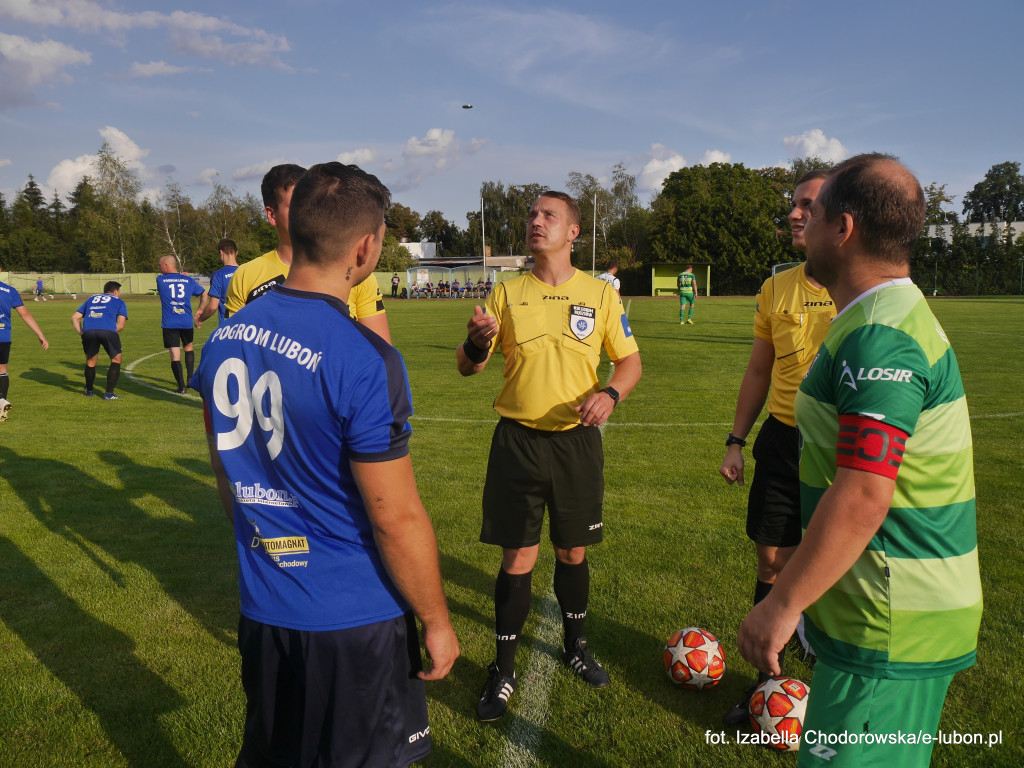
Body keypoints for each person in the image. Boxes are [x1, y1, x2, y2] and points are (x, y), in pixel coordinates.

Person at [192, 162, 459, 768]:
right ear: (365, 247)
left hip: (263, 608)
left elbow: (227, 479)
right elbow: (395, 517)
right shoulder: (364, 356)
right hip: (353, 619)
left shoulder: (223, 341)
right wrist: (436, 620)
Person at [738, 154, 982, 767]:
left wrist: (782, 603)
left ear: (842, 228)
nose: (799, 220)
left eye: (811, 211)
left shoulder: (881, 336)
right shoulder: (882, 318)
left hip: (891, 624)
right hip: (887, 615)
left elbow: (865, 492)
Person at [457, 191, 642, 722]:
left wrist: (610, 394)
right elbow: (467, 367)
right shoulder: (506, 293)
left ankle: (577, 647)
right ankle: (504, 668)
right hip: (518, 441)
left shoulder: (601, 295)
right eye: (533, 215)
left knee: (572, 553)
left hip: (575, 444)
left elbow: (628, 364)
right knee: (517, 557)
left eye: (548, 216)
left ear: (573, 233)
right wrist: (474, 343)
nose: (536, 222)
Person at [717, 169, 833, 725]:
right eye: (793, 204)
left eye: (807, 204)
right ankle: (768, 683)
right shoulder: (775, 287)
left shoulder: (862, 288)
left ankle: (838, 683)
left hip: (843, 444)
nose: (794, 213)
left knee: (843, 559)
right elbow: (759, 369)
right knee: (771, 555)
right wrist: (736, 441)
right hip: (783, 440)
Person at [224, 164, 391, 343]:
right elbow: (231, 348)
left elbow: (381, 352)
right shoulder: (246, 275)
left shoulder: (354, 270)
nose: (307, 212)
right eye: (296, 206)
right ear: (272, 215)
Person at [157, 254, 208, 394]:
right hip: (186, 321)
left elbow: (171, 280)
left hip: (170, 323)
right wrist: (200, 310)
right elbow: (204, 294)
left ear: (166, 266)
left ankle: (182, 387)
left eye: (160, 265)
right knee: (189, 348)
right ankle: (190, 379)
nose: (159, 268)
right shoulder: (188, 280)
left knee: (175, 354)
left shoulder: (160, 280)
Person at [0, 274, 49, 420]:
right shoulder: (9, 290)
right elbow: (25, 314)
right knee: (2, 370)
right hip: (3, 337)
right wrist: (40, 334)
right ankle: (2, 405)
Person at [71, 281, 128, 400]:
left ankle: (90, 391)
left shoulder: (91, 299)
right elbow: (121, 326)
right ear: (116, 291)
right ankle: (109, 394)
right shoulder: (119, 301)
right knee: (116, 360)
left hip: (89, 332)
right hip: (108, 331)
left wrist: (82, 333)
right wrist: (108, 329)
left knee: (91, 362)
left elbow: (74, 318)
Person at [194, 238, 239, 327]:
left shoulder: (218, 275)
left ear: (221, 252)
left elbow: (213, 306)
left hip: (228, 327)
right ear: (236, 253)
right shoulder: (246, 271)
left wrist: (200, 319)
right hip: (246, 327)